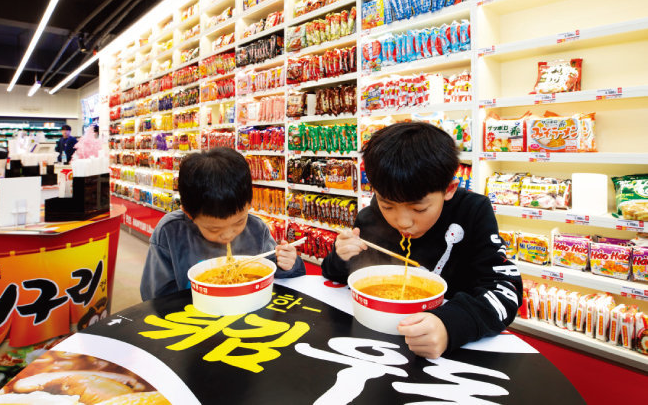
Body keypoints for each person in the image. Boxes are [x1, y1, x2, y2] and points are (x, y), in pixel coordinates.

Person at [322, 122, 522, 359]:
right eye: (388, 205)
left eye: (418, 208)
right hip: (377, 343)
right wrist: (341, 256)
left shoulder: (472, 213)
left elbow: (505, 291)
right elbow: (335, 274)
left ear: (449, 189)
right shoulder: (371, 217)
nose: (402, 222)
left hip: (448, 349)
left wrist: (449, 325)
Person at [140, 147, 305, 300]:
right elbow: (155, 295)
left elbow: (277, 275)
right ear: (189, 214)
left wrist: (289, 264)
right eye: (214, 229)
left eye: (239, 221)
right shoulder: (170, 232)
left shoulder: (257, 229)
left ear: (249, 205)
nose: (228, 235)